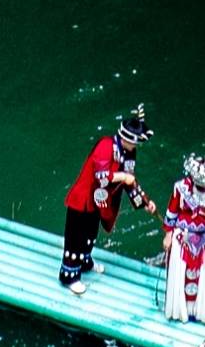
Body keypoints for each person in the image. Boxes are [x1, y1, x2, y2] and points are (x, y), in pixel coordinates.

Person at [60, 114, 149, 286]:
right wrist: (123, 176)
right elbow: (101, 176)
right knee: (76, 238)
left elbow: (129, 181)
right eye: (135, 142)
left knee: (90, 235)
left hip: (99, 201)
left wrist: (144, 201)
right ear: (126, 138)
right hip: (83, 199)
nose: (136, 146)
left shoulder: (130, 153)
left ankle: (85, 262)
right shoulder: (105, 145)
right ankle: (69, 275)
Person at [163, 154, 205, 326]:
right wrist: (168, 234)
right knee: (182, 274)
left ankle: (200, 311)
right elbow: (172, 211)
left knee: (203, 276)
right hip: (182, 237)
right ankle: (181, 310)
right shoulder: (180, 188)